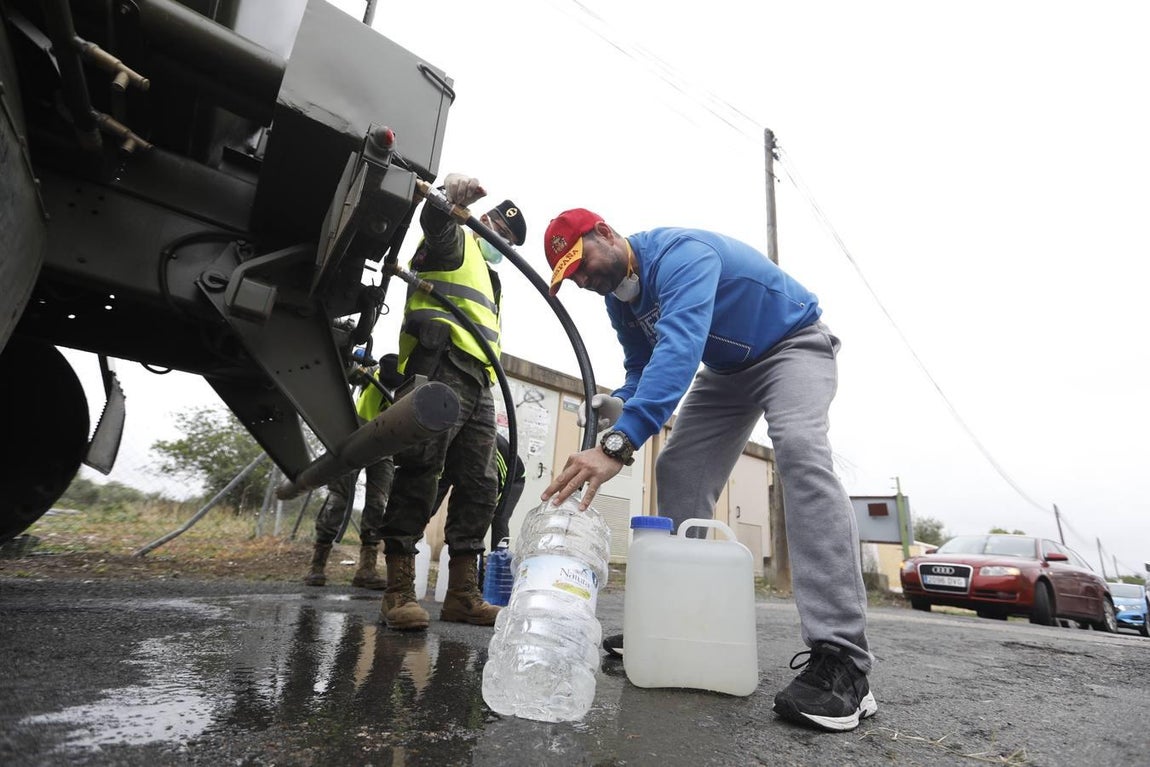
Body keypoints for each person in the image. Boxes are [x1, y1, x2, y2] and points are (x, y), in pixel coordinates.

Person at [539, 209, 876, 733]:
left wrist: (618, 442)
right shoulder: (618, 303)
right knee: (680, 468)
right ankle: (675, 619)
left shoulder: (682, 255)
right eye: (572, 278)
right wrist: (620, 405)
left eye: (582, 264)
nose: (584, 280)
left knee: (799, 449)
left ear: (605, 232)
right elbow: (641, 368)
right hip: (728, 373)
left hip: (792, 345)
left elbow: (678, 349)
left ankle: (844, 661)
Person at [377, 174, 526, 631]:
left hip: (479, 382)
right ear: (482, 219)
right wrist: (446, 202)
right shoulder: (456, 242)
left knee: (481, 484)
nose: (497, 239)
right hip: (439, 367)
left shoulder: (493, 281)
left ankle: (462, 594)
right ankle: (398, 591)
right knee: (422, 471)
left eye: (507, 238)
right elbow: (435, 226)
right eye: (496, 228)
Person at [303, 365, 395, 590]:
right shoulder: (373, 374)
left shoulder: (411, 383)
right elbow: (345, 373)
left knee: (378, 505)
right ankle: (317, 566)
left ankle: (366, 569)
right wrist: (353, 369)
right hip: (355, 439)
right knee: (338, 500)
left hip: (386, 447)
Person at [431, 431, 527, 550]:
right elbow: (441, 483)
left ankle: (498, 559)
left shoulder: (489, 445)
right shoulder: (451, 442)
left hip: (512, 479)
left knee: (499, 517)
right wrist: (426, 512)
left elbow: (501, 481)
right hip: (474, 473)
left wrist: (491, 507)